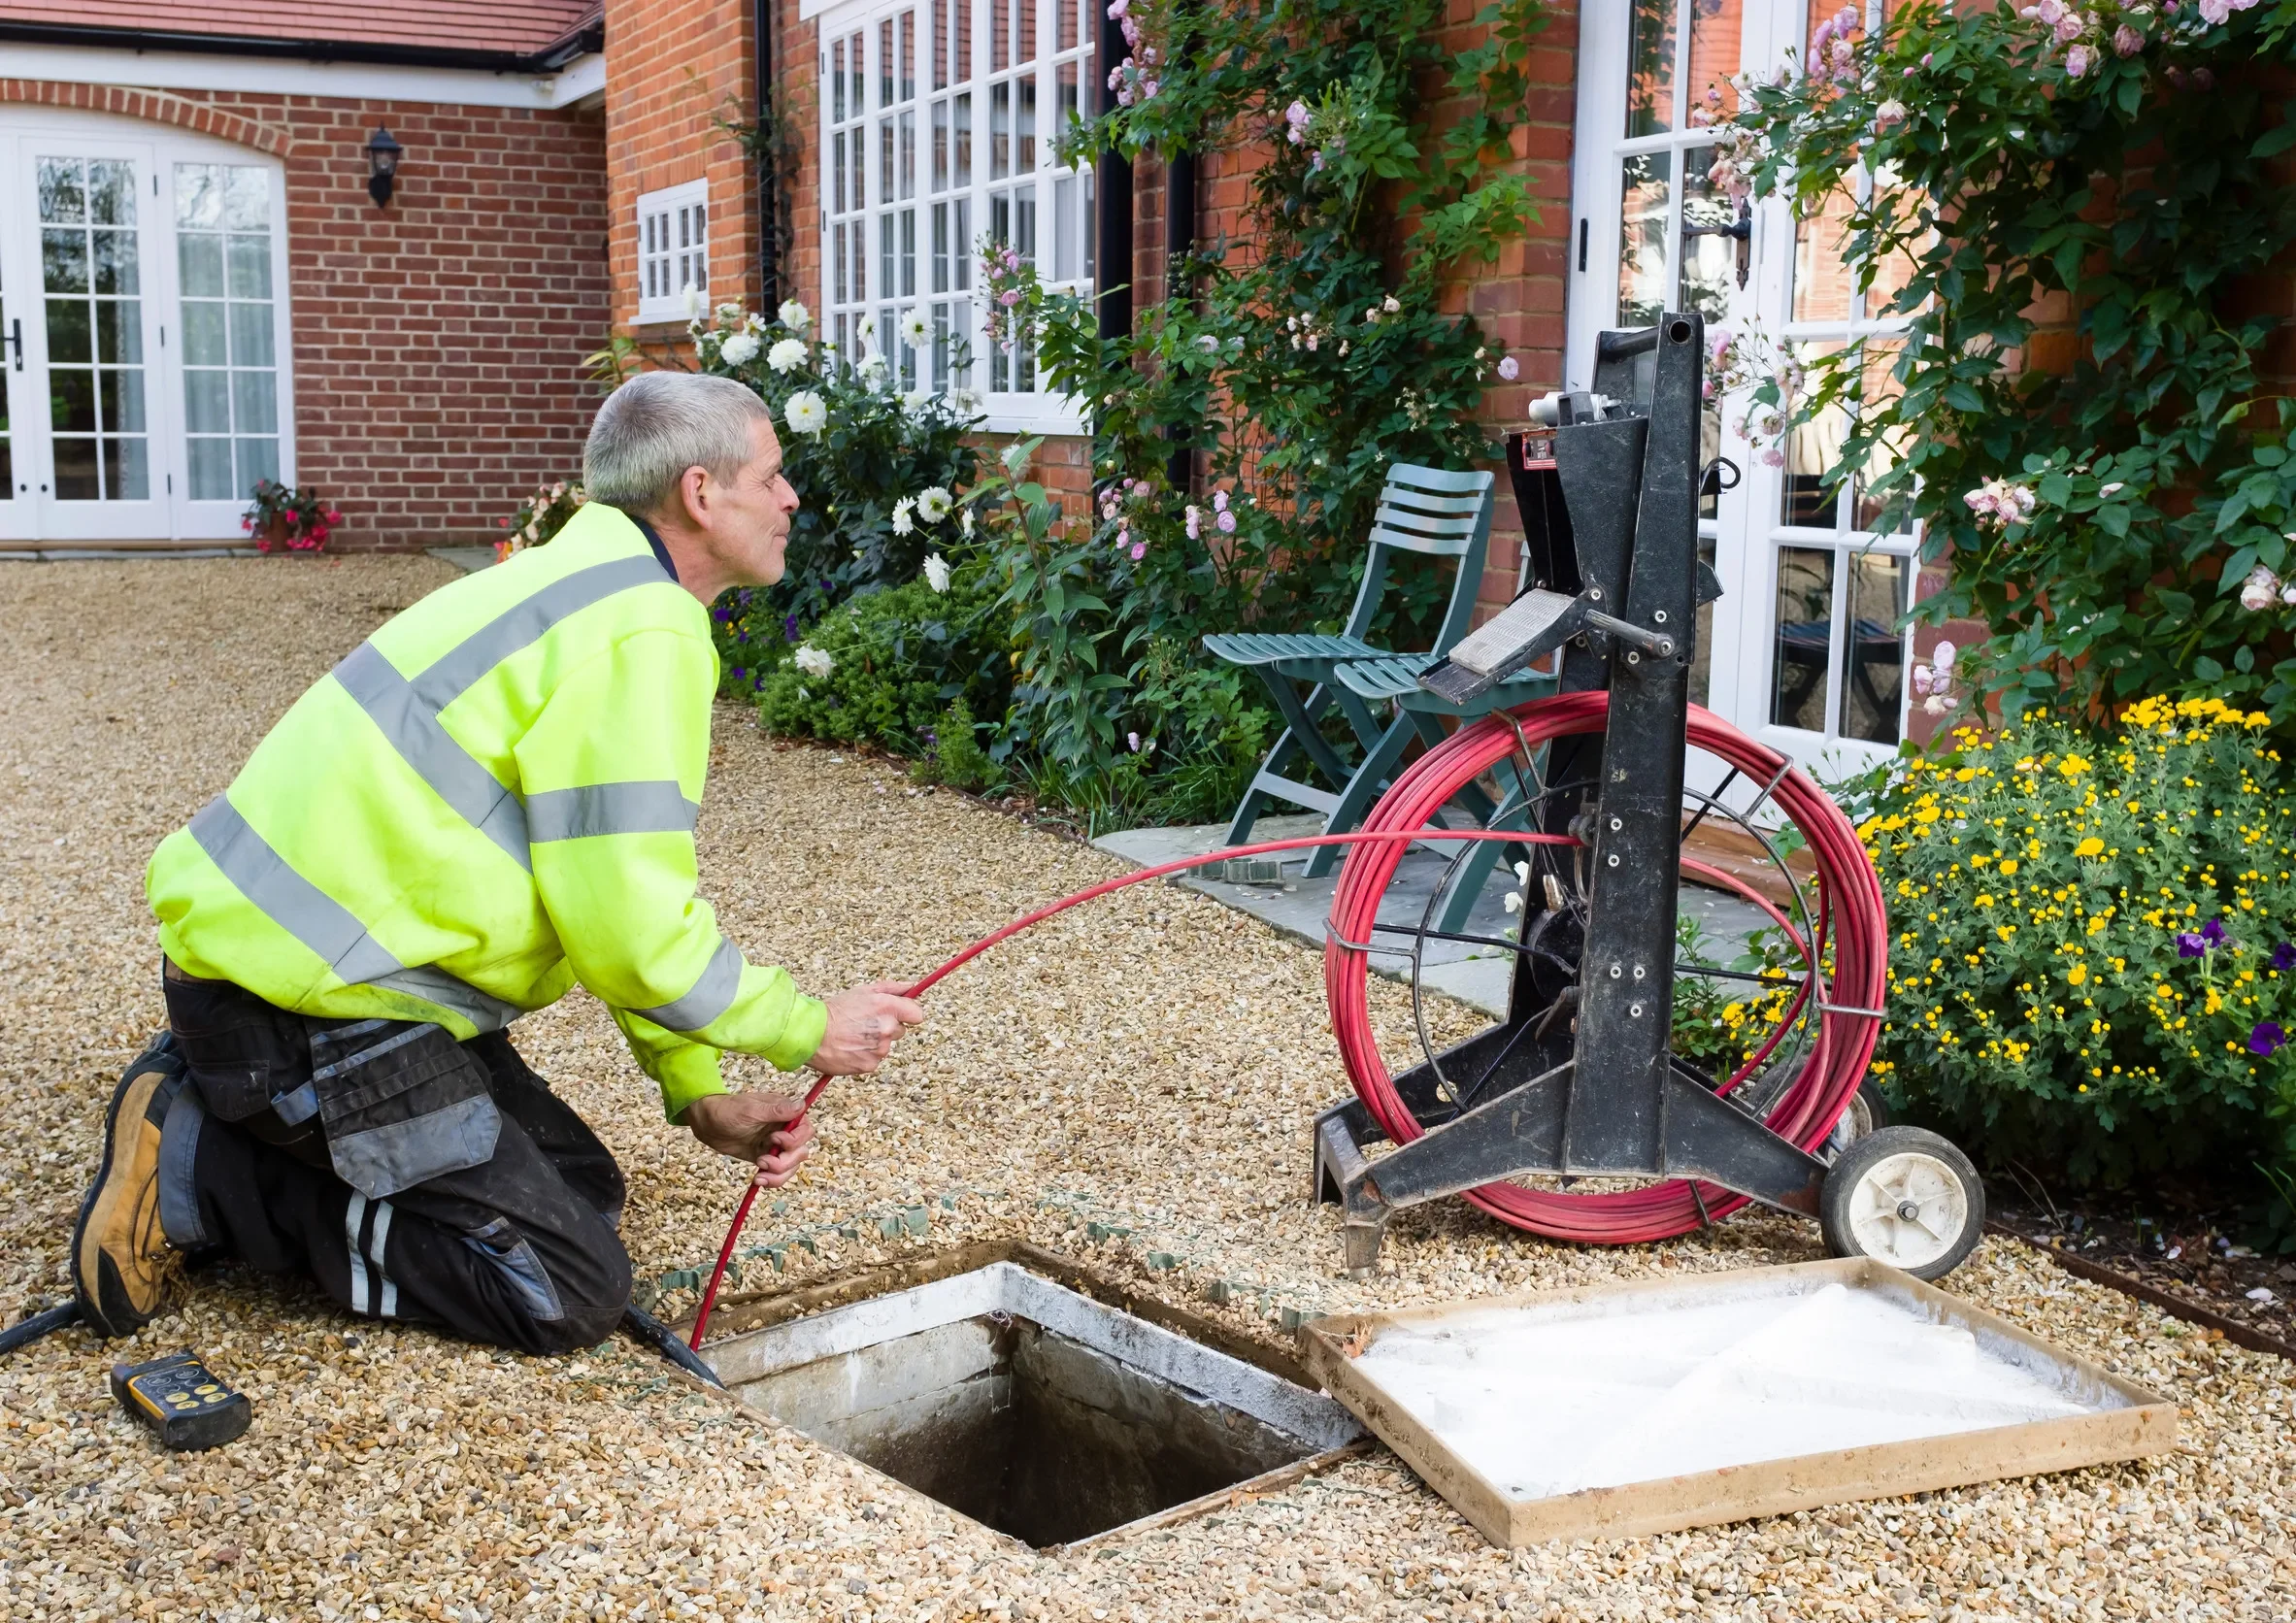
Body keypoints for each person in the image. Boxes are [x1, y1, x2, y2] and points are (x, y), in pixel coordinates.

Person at [70, 373, 925, 1353]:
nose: (791, 500)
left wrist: (694, 1086)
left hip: (307, 977)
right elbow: (632, 932)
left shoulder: (577, 586)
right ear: (700, 493)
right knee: (558, 1287)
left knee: (582, 1193)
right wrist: (806, 1027)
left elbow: (596, 897)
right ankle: (208, 1165)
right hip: (302, 1011)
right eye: (773, 477)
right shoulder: (642, 631)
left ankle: (219, 1099)